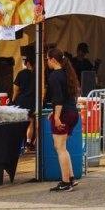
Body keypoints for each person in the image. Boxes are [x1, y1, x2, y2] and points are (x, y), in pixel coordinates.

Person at [46, 47, 80, 192]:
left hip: (64, 114)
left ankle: (65, 182)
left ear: (53, 60)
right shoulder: (68, 74)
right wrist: (54, 113)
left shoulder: (54, 76)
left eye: (47, 59)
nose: (46, 62)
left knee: (60, 148)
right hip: (73, 112)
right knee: (63, 147)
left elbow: (58, 99)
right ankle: (71, 178)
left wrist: (57, 116)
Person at [12, 54, 36, 151]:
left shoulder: (21, 73)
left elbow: (16, 90)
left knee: (21, 122)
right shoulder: (37, 75)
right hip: (32, 101)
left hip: (21, 101)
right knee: (30, 121)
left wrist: (13, 100)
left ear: (27, 63)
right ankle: (29, 142)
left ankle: (20, 144)